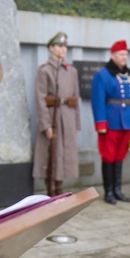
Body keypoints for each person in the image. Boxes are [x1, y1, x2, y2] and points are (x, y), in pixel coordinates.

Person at [91, 39, 130, 204]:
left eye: (126, 54)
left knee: (120, 156)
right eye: (121, 54)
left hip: (126, 121)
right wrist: (100, 123)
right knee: (108, 156)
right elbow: (97, 100)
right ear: (112, 55)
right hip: (111, 121)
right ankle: (109, 191)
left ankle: (118, 190)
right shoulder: (102, 75)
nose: (124, 57)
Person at [33, 31, 80, 196]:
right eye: (59, 46)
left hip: (67, 118)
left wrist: (76, 123)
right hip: (52, 118)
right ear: (51, 48)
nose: (63, 49)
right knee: (51, 155)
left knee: (64, 155)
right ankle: (51, 189)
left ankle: (60, 188)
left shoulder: (71, 71)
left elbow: (75, 98)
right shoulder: (44, 70)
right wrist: (46, 125)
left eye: (65, 46)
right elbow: (40, 99)